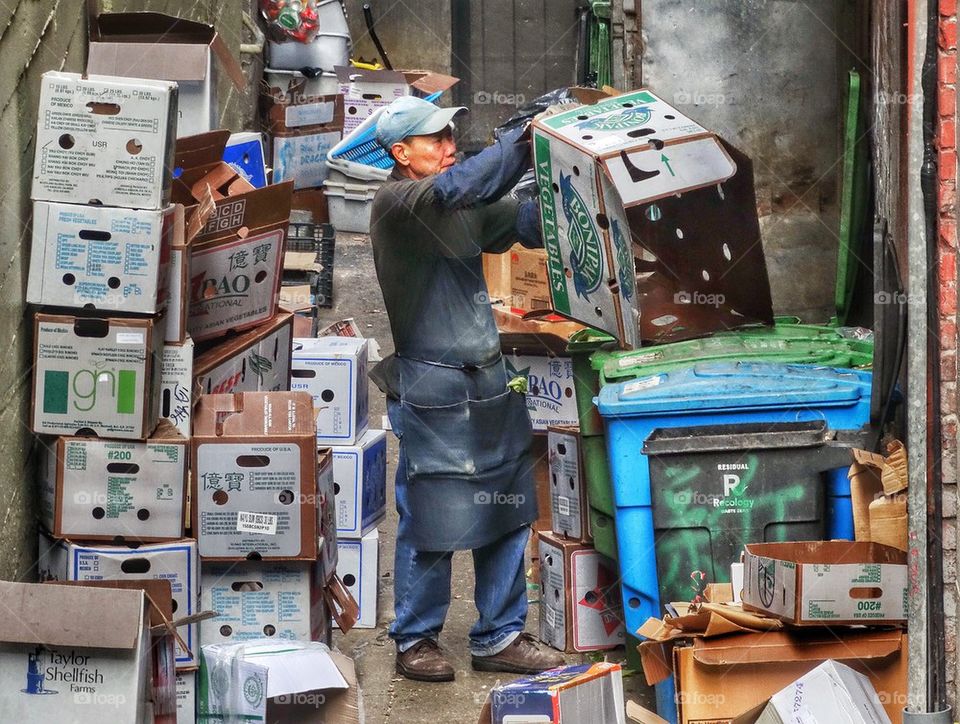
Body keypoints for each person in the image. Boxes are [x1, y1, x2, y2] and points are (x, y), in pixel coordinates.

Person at [368, 96, 565, 682]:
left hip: (487, 378)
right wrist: (522, 140)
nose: (450, 146)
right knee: (432, 513)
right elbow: (467, 183)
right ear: (402, 155)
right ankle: (415, 640)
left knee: (506, 510)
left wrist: (572, 179)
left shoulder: (462, 201)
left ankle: (499, 635)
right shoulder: (399, 203)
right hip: (432, 387)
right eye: (436, 140)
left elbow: (521, 221)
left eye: (452, 135)